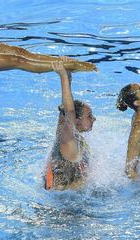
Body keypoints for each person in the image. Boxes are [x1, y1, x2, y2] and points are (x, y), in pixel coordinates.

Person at [44, 61, 96, 190]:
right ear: (76, 121)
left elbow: (65, 109)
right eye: (89, 116)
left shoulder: (63, 132)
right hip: (66, 205)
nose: (94, 119)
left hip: (63, 198)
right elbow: (69, 111)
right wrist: (62, 76)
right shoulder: (67, 138)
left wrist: (68, 77)